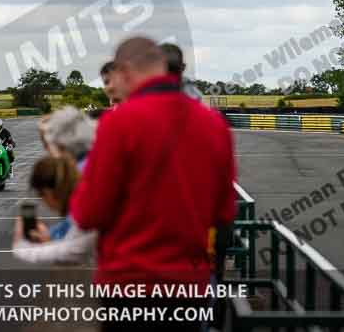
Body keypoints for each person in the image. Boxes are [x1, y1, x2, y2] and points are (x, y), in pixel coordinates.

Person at [69, 37, 236, 331]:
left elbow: (88, 212)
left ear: (126, 71)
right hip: (188, 286)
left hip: (128, 284)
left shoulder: (117, 123)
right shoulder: (214, 123)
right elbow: (223, 213)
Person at [12, 156, 96, 265]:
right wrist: (48, 240)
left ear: (48, 192)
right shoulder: (85, 200)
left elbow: (73, 251)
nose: (44, 203)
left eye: (41, 195)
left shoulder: (86, 209)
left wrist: (22, 247)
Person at [35, 106, 96, 241]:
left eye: (47, 142)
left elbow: (81, 228)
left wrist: (50, 239)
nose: (47, 148)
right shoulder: (88, 161)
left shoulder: (79, 171)